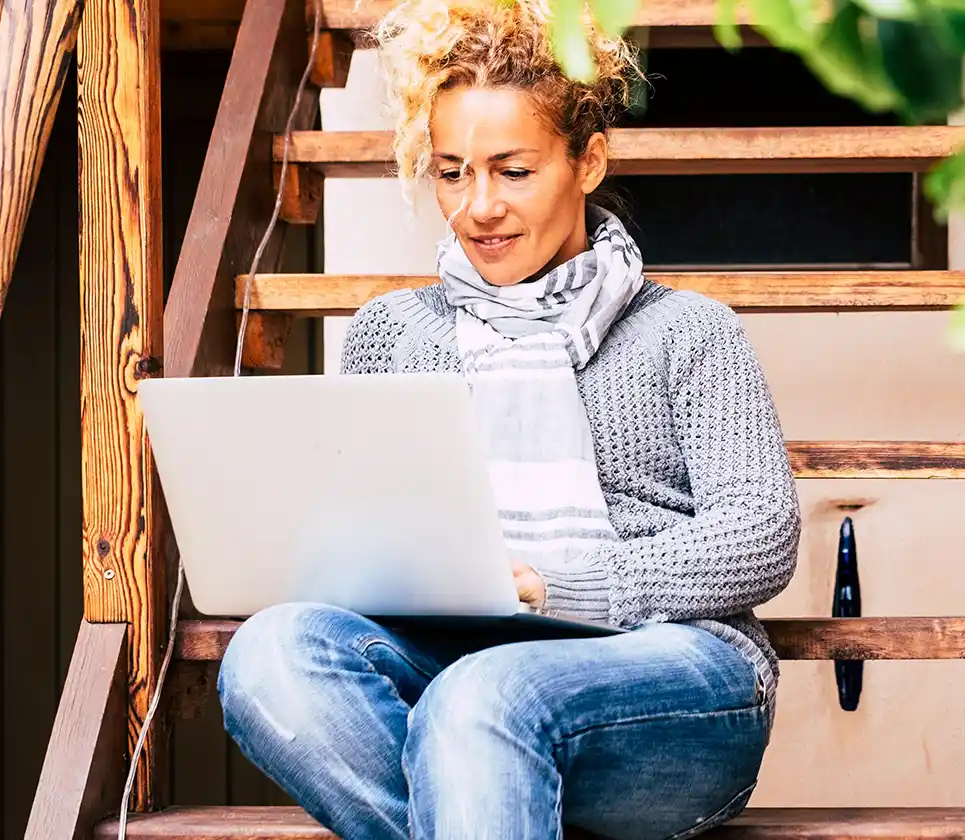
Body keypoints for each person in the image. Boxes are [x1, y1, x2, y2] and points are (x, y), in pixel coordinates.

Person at [214, 1, 801, 837]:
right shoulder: (395, 332)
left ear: (588, 161)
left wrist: (559, 586)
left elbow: (760, 536)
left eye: (513, 171)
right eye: (452, 172)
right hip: (454, 666)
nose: (478, 205)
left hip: (672, 680)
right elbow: (364, 533)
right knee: (272, 654)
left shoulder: (687, 331)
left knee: (485, 696)